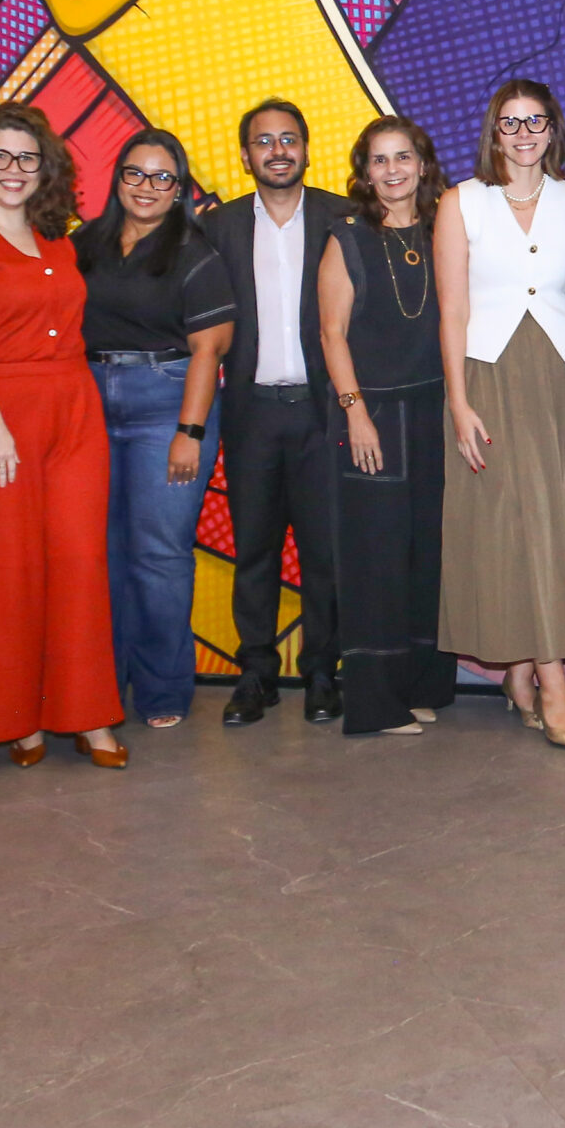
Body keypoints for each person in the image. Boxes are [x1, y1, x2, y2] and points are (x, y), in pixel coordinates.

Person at [0, 105, 126, 769]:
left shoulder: (59, 243)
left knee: (78, 562)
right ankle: (17, 718)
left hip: (73, 411)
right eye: (0, 156)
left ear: (45, 168)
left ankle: (88, 714)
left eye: (27, 157)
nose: (14, 169)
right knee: (3, 568)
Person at [437, 81, 565, 752]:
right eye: (510, 123)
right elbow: (452, 310)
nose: (524, 133)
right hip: (491, 377)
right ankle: (552, 684)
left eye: (535, 121)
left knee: (555, 521)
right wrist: (458, 402)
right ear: (494, 132)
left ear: (552, 129)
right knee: (516, 524)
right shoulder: (461, 202)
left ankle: (519, 671)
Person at [73, 130, 234, 729]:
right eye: (135, 173)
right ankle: (102, 686)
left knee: (159, 556)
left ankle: (163, 691)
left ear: (179, 189)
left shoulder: (196, 254)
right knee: (101, 556)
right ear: (117, 177)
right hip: (89, 405)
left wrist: (189, 432)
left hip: (166, 408)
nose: (147, 186)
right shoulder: (82, 245)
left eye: (162, 177)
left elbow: (209, 351)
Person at [205, 100, 354, 727]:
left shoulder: (342, 219)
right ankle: (256, 675)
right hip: (252, 415)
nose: (278, 151)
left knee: (325, 553)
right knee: (255, 553)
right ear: (246, 156)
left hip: (323, 414)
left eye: (288, 139)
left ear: (307, 149)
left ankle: (322, 673)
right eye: (264, 142)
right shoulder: (219, 227)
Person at [320, 116, 458, 736]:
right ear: (365, 172)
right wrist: (355, 413)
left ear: (422, 165)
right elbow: (331, 334)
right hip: (372, 414)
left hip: (436, 410)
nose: (393, 170)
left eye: (403, 157)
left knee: (430, 555)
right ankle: (374, 705)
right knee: (376, 560)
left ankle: (420, 688)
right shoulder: (346, 238)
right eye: (380, 160)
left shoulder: (443, 230)